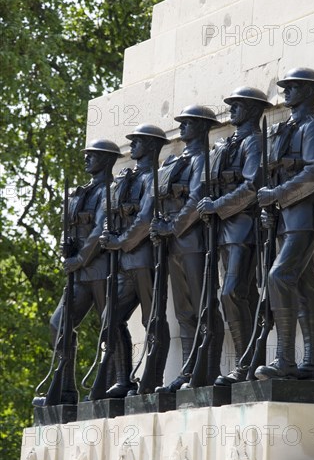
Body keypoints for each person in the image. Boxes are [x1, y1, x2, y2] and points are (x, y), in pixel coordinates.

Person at [255, 67, 314, 381]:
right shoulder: (284, 129)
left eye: (293, 86)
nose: (286, 91)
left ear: (309, 91)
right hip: (285, 217)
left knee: (279, 276)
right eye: (286, 86)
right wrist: (269, 202)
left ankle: (284, 359)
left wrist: (277, 195)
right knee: (303, 286)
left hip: (305, 214)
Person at [33, 139, 122, 406]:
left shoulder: (110, 190)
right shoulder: (82, 192)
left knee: (111, 327)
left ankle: (116, 382)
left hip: (100, 268)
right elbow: (73, 227)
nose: (86, 160)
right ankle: (65, 387)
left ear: (105, 161)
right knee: (58, 323)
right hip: (80, 273)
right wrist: (66, 246)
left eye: (91, 156)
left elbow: (100, 229)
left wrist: (80, 257)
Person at [197, 87, 273, 385]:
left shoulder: (253, 142)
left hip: (244, 227)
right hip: (224, 232)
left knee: (232, 293)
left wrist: (217, 206)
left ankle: (246, 363)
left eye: (238, 105)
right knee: (239, 295)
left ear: (253, 110)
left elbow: (253, 186)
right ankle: (251, 362)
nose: (231, 109)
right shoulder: (227, 144)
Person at [151, 105, 225, 392]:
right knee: (183, 312)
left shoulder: (202, 159)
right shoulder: (174, 161)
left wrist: (173, 226)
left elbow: (196, 198)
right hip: (174, 244)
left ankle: (209, 368)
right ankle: (188, 369)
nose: (181, 126)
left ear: (202, 127)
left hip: (194, 242)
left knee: (204, 305)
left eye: (188, 122)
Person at [99, 124, 170, 398]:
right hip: (123, 262)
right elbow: (111, 211)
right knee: (110, 318)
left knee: (152, 320)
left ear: (151, 146)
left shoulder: (154, 177)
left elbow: (145, 219)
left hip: (144, 258)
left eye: (138, 141)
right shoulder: (127, 178)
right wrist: (109, 234)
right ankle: (123, 378)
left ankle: (153, 378)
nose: (133, 145)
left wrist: (121, 241)